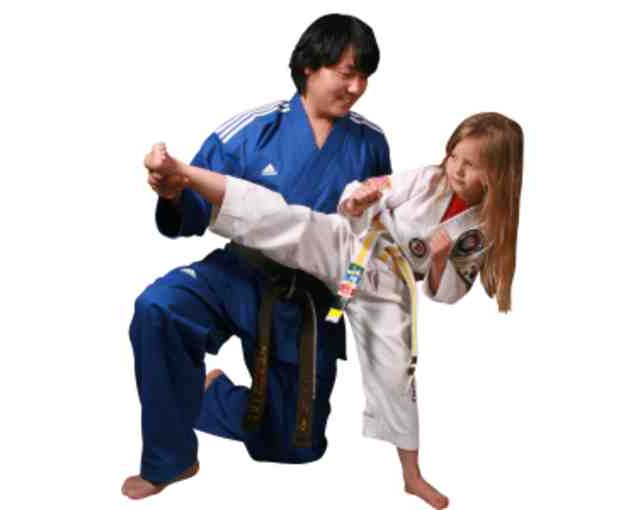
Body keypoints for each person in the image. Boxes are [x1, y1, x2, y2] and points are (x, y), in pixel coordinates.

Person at [143, 111, 525, 509]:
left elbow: (446, 294)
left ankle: (412, 477)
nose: (456, 169)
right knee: (283, 220)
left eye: (471, 165)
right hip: (354, 244)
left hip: (387, 286)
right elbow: (375, 190)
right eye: (454, 156)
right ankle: (184, 173)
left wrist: (441, 259)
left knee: (397, 372)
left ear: (497, 174)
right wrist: (357, 198)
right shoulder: (428, 179)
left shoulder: (481, 230)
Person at [123, 14, 392, 501]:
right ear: (309, 66)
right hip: (238, 272)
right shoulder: (253, 131)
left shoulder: (370, 143)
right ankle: (170, 459)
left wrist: (347, 301)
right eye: (347, 73)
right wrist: (170, 192)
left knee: (294, 448)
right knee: (159, 307)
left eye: (365, 76)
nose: (357, 87)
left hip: (308, 298)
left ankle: (209, 394)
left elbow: (371, 238)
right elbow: (193, 207)